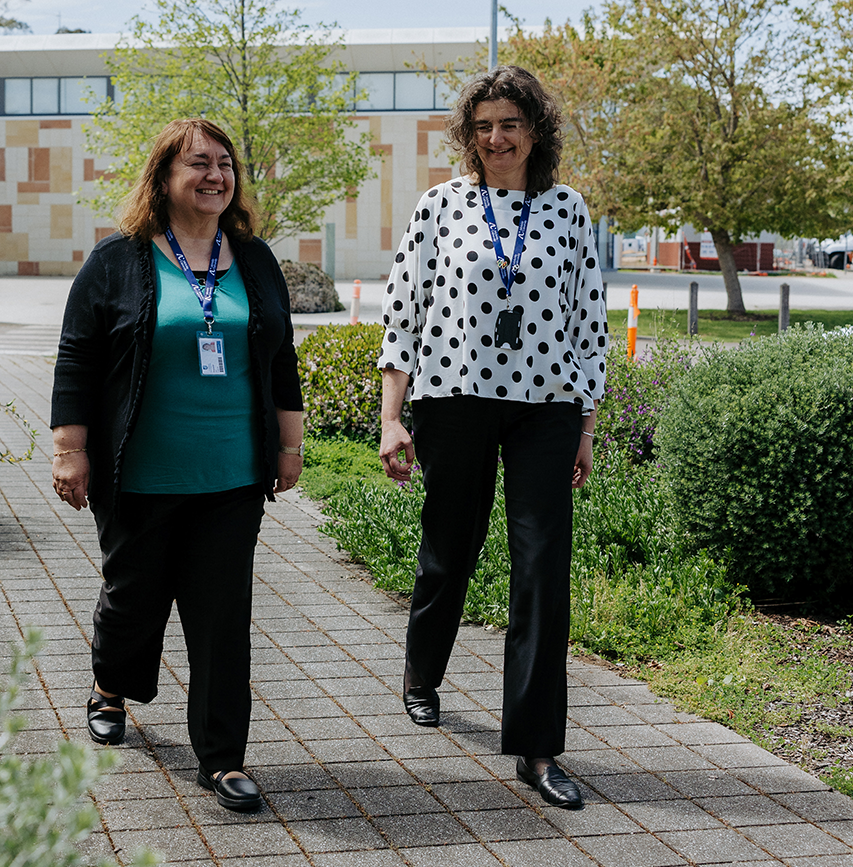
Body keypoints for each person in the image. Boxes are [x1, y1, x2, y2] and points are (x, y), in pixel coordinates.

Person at [50, 118, 304, 813]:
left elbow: (280, 358)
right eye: (198, 164)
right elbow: (77, 358)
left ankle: (221, 758)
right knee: (134, 600)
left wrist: (288, 446)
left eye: (224, 164)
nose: (215, 175)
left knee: (222, 617)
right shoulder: (117, 259)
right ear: (163, 177)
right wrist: (70, 450)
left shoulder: (253, 260)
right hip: (139, 473)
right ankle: (110, 684)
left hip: (229, 474)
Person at [377, 66, 607, 810]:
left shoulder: (568, 210)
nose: (496, 137)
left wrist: (585, 424)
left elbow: (588, 324)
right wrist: (390, 414)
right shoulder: (439, 206)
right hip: (455, 395)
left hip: (545, 405)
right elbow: (402, 310)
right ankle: (421, 671)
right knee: (451, 546)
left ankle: (537, 748)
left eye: (509, 123)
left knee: (541, 564)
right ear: (467, 136)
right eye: (483, 126)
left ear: (534, 129)